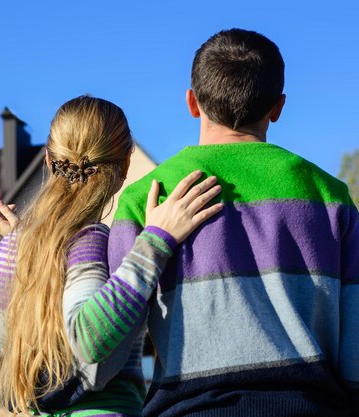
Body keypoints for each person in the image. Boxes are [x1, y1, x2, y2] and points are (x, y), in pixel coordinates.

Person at [109, 29, 359, 417]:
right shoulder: (331, 197)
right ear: (277, 107)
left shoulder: (145, 198)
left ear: (192, 102)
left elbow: (112, 343)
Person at [0, 96, 223, 416]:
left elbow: (5, 340)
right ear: (125, 166)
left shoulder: (13, 248)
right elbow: (88, 337)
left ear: (48, 161)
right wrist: (157, 241)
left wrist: (31, 247)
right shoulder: (89, 240)